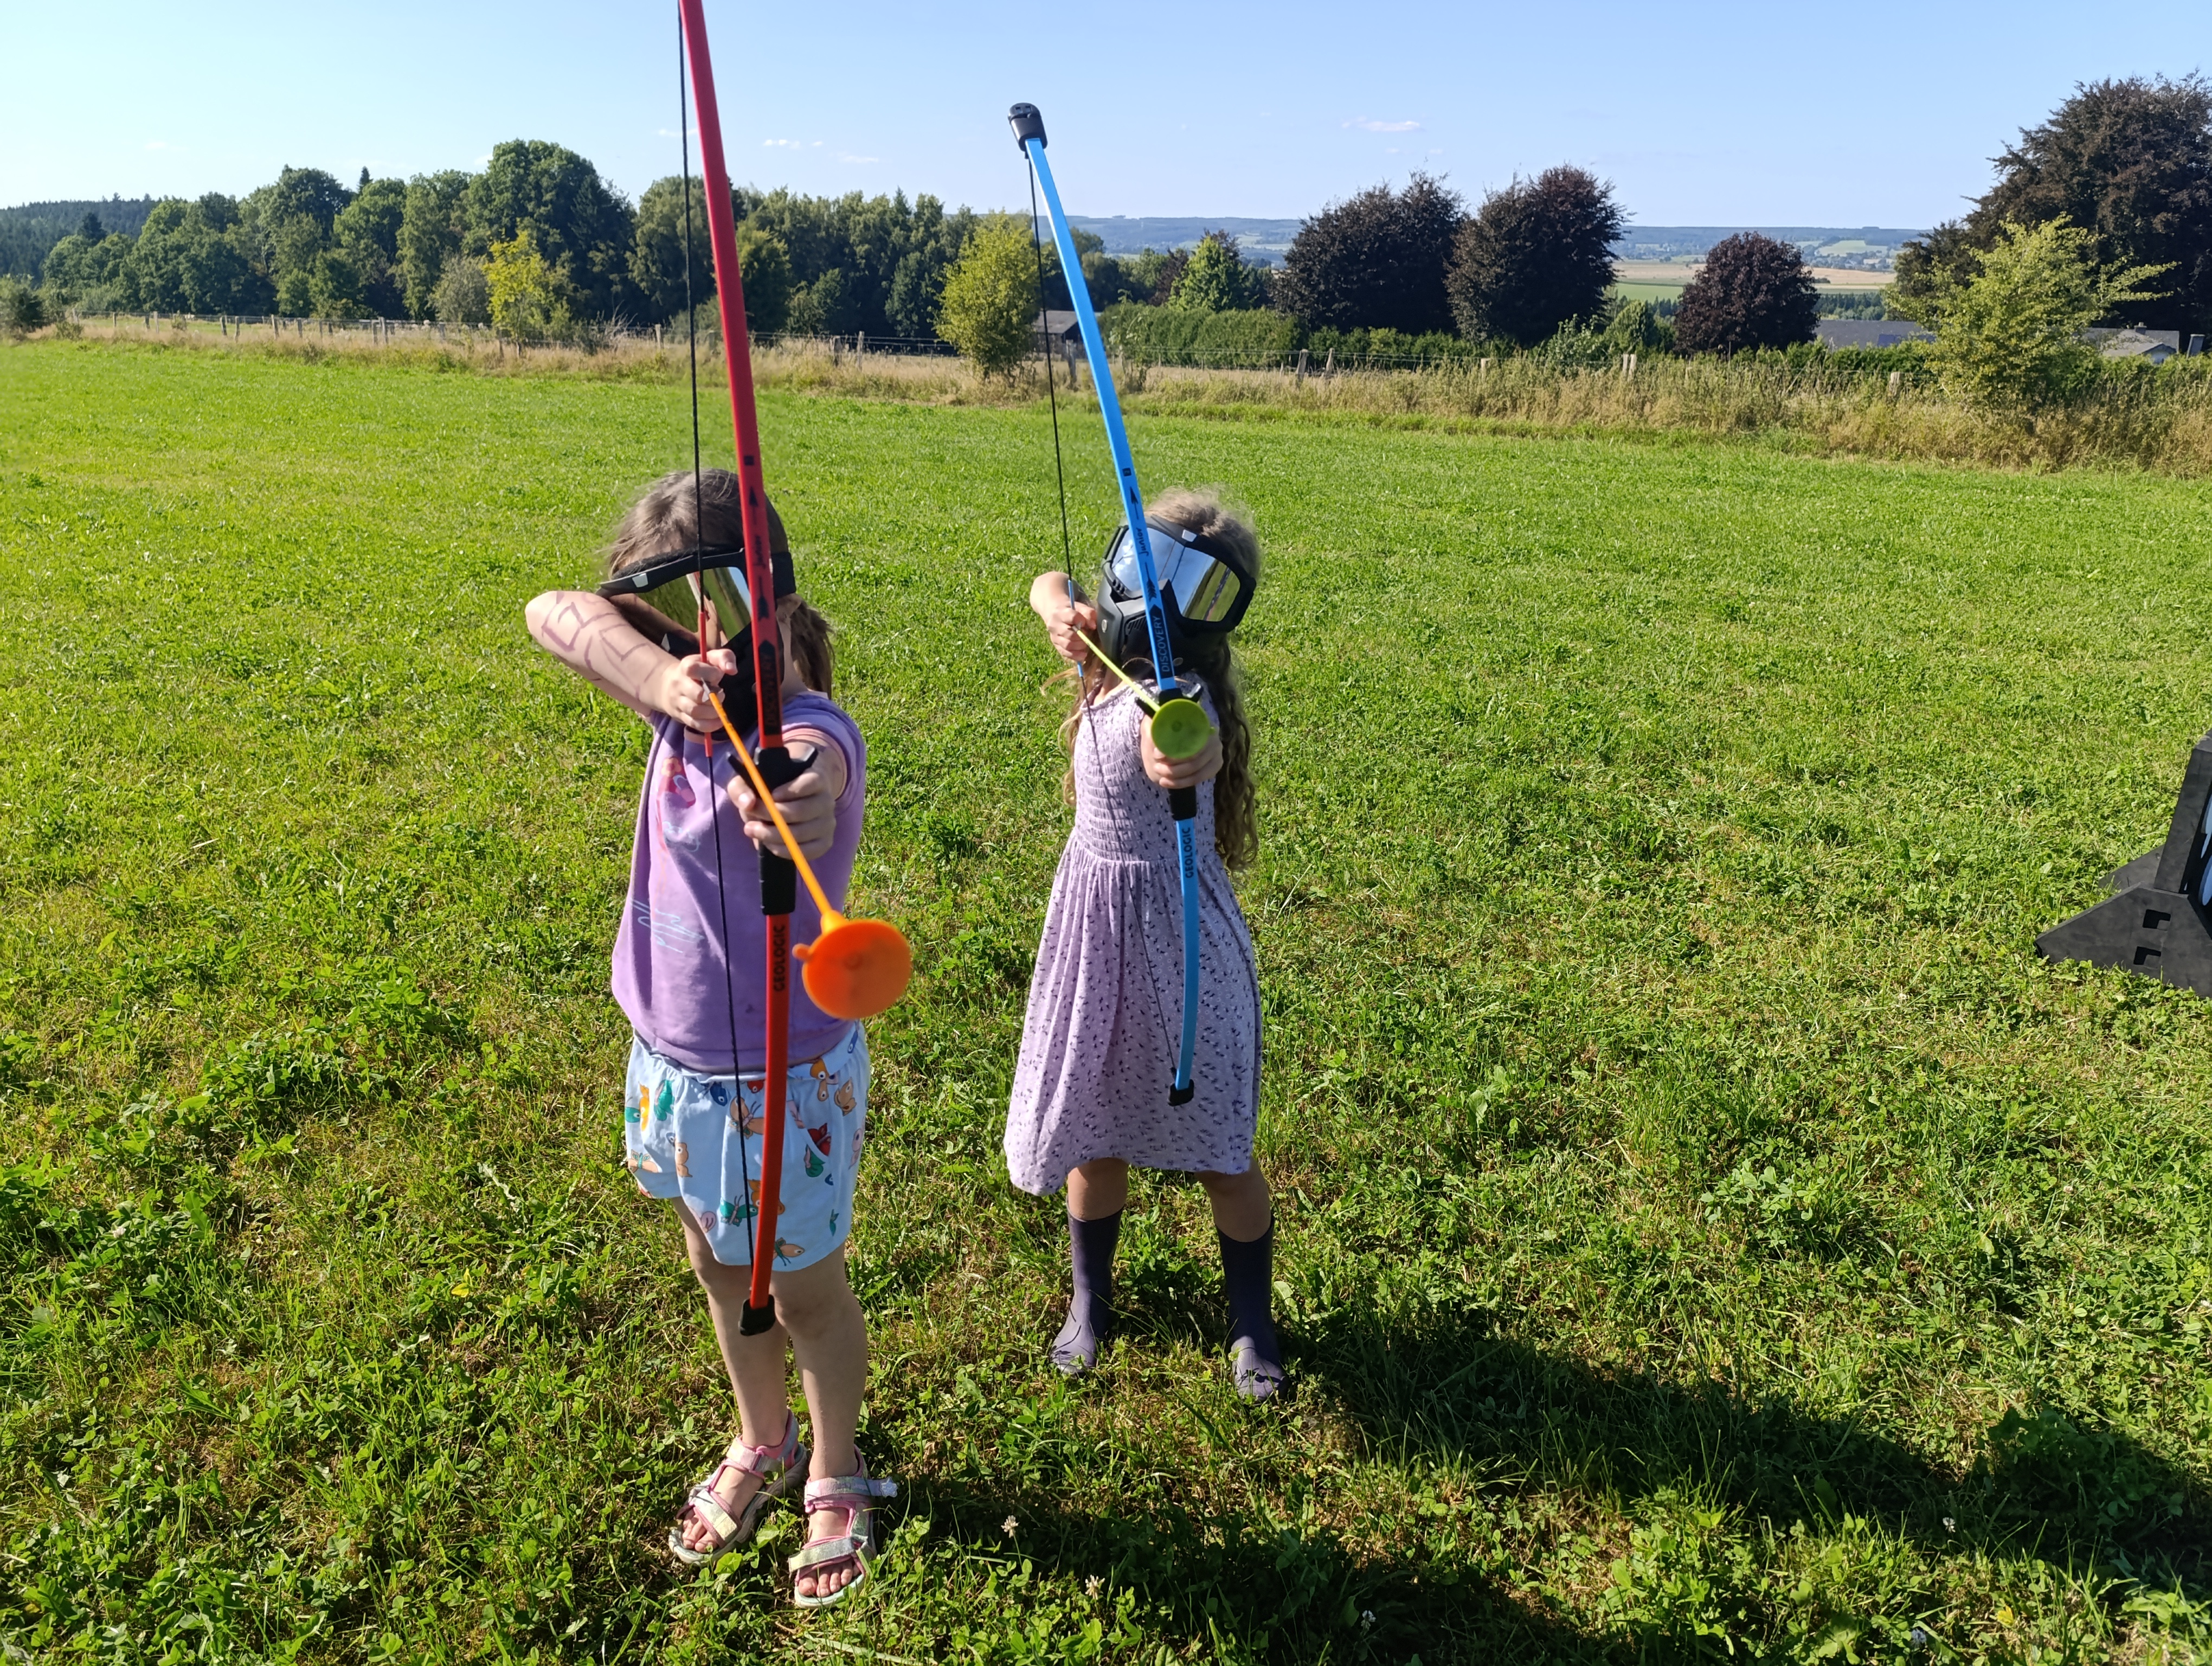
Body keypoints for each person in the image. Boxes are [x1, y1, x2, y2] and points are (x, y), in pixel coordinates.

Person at [524, 469, 891, 1606]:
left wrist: (795, 792)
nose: (703, 646)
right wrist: (662, 680)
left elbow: (820, 768)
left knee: (804, 1292)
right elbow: (550, 611)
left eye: (720, 613)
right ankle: (763, 1436)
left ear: (766, 601)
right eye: (666, 621)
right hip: (674, 1062)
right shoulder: (674, 699)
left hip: (781, 1077)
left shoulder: (807, 726)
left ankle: (835, 1468)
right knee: (718, 1267)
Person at [1004, 488, 1282, 1401]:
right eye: (1148, 568)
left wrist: (1184, 750)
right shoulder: (1097, 657)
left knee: (1222, 1156)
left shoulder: (1179, 698)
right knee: (1096, 1142)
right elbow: (1046, 583)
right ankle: (1090, 1304)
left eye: (1192, 587)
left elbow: (1184, 745)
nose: (1158, 599)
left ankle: (1252, 1324)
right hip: (1097, 943)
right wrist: (1060, 610)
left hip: (1180, 948)